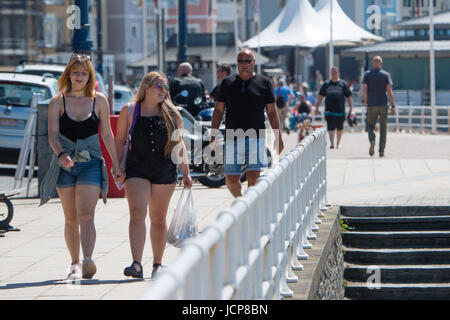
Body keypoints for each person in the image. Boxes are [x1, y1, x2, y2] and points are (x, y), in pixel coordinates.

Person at [40, 53, 124, 280]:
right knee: (71, 217)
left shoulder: (99, 100)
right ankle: (74, 262)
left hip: (91, 163)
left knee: (86, 213)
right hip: (65, 163)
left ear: (90, 76)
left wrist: (116, 164)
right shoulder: (57, 101)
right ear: (69, 74)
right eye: (76, 72)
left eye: (84, 73)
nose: (79, 77)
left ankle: (88, 260)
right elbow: (52, 135)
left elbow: (107, 134)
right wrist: (61, 155)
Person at [115, 71, 192, 279]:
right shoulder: (130, 110)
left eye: (164, 87)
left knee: (158, 218)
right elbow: (120, 140)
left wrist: (186, 172)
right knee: (137, 213)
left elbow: (179, 143)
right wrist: (117, 166)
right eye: (158, 85)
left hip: (164, 167)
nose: (163, 90)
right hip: (136, 167)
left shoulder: (172, 113)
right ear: (146, 88)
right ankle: (137, 263)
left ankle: (158, 264)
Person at [210, 49, 284, 198]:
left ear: (253, 63)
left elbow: (271, 111)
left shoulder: (265, 83)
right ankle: (241, 202)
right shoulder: (227, 83)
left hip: (256, 137)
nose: (244, 64)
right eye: (240, 61)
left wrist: (278, 136)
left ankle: (250, 209)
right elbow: (218, 110)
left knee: (253, 178)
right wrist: (213, 133)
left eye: (247, 61)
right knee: (231, 179)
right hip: (232, 136)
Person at [363, 56, 396, 158]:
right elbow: (390, 92)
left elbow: (364, 90)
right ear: (381, 64)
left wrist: (366, 101)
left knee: (370, 126)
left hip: (372, 104)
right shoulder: (386, 75)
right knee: (383, 128)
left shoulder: (367, 74)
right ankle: (381, 151)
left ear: (373, 63)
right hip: (383, 104)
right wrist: (393, 105)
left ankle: (372, 139)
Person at [315, 66, 354, 149]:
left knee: (340, 127)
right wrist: (317, 107)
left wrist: (351, 108)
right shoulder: (326, 84)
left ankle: (338, 143)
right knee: (331, 126)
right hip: (329, 110)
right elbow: (320, 96)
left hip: (340, 110)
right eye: (332, 73)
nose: (334, 74)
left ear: (338, 73)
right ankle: (332, 143)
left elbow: (349, 96)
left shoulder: (343, 84)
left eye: (335, 73)